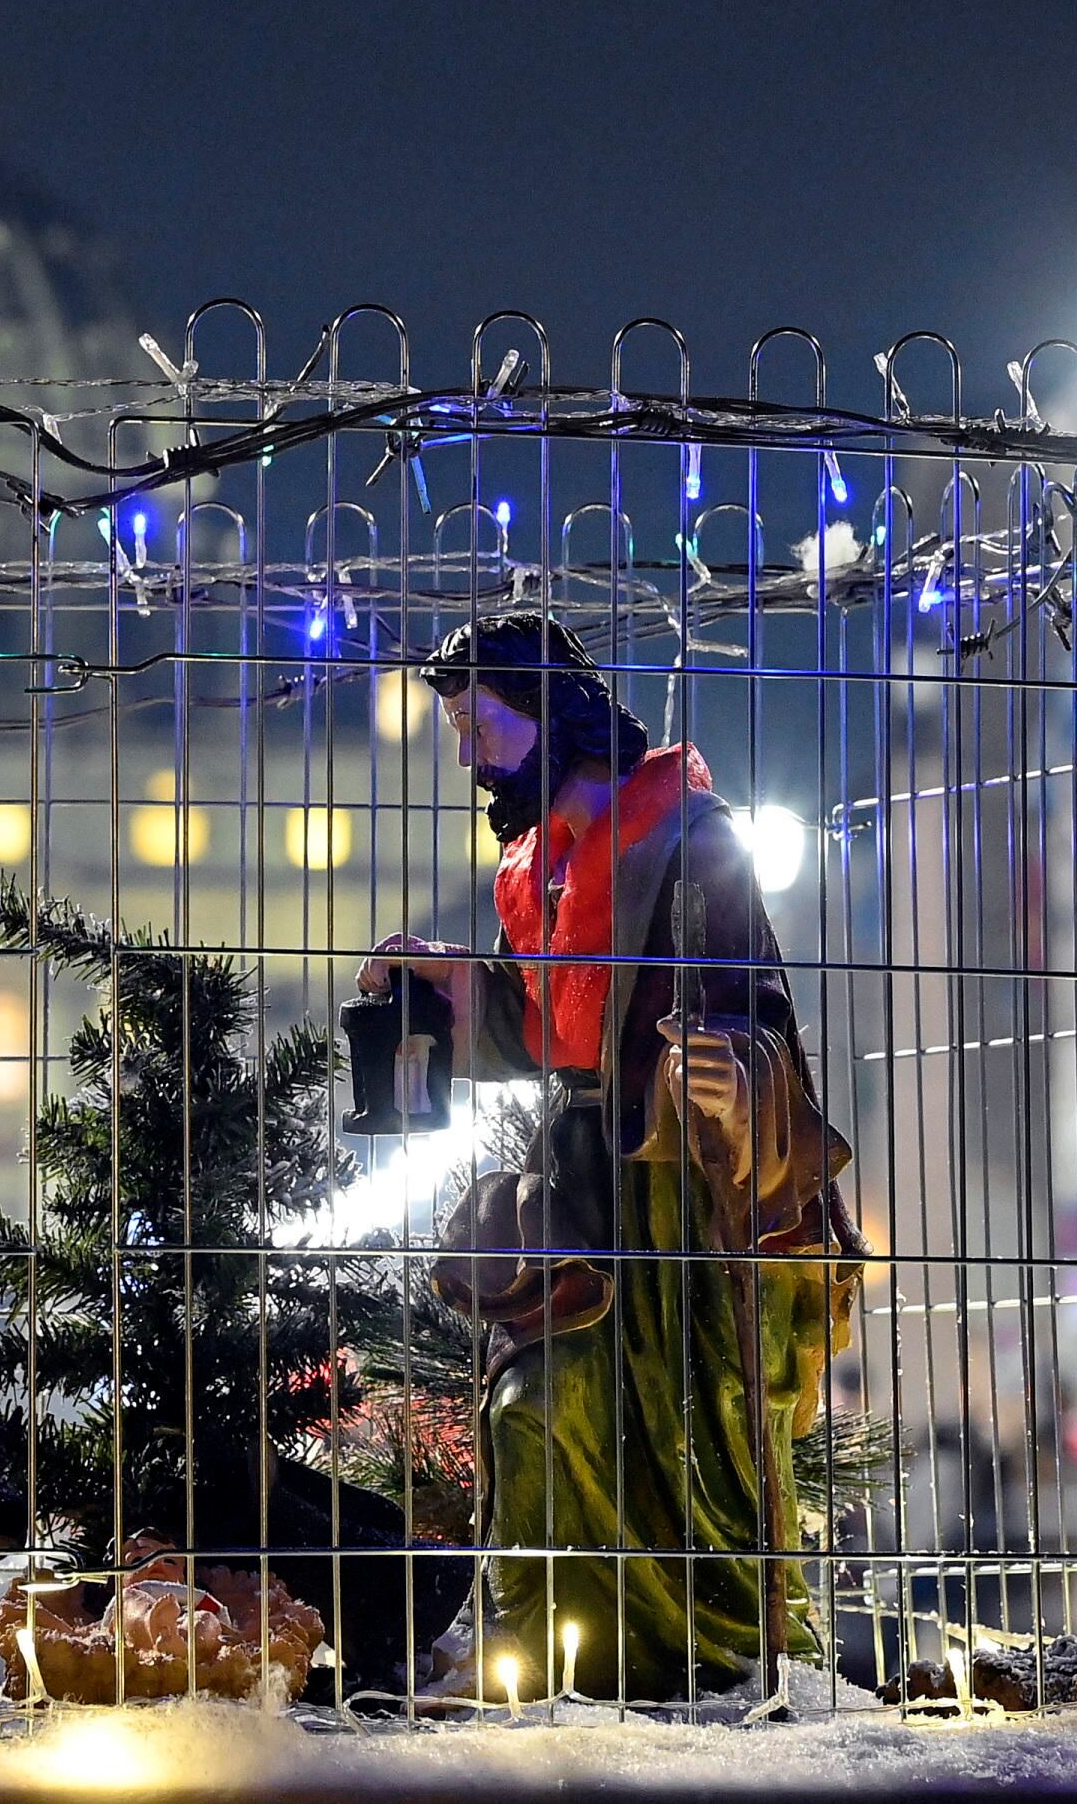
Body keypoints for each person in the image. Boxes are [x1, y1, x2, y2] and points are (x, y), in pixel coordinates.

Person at [360, 613, 862, 1700]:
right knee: (531, 1402)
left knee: (697, 1430)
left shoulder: (686, 837)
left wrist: (731, 1068)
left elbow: (755, 1007)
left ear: (551, 714)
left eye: (475, 725)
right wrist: (452, 984)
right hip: (583, 1172)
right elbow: (550, 1022)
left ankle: (722, 1658)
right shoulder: (542, 862)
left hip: (682, 1195)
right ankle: (534, 1648)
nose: (465, 757)